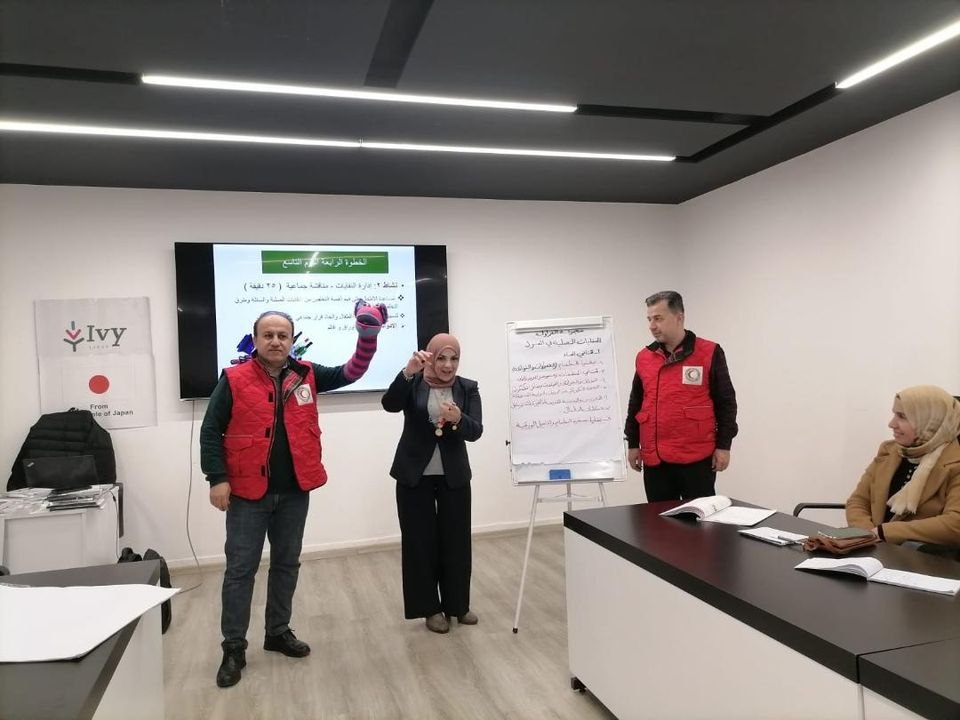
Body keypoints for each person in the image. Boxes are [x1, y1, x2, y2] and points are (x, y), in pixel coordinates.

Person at [201, 302, 384, 688]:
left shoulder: (307, 374)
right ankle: (233, 647)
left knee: (287, 564)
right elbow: (211, 430)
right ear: (255, 340)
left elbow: (352, 372)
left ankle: (277, 632)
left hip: (294, 491)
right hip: (248, 493)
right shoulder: (233, 379)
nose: (275, 341)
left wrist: (367, 337)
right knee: (240, 571)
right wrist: (217, 478)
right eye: (267, 335)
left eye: (282, 335)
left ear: (291, 340)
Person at [381, 333, 483, 634]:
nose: (448, 365)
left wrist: (459, 418)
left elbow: (476, 431)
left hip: (454, 476)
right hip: (414, 475)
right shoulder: (413, 382)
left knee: (457, 542)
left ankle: (457, 605)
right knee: (419, 542)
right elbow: (389, 404)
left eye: (454, 359)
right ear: (431, 358)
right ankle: (429, 608)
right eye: (441, 358)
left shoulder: (468, 388)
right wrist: (407, 372)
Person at [623, 291, 738, 502]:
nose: (652, 326)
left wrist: (724, 445)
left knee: (700, 519)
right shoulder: (644, 357)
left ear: (679, 317)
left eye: (658, 318)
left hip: (696, 457)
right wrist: (632, 444)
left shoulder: (709, 352)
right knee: (658, 518)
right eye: (649, 319)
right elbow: (636, 403)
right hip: (655, 458)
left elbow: (726, 402)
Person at [846, 385, 960, 546]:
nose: (891, 424)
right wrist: (867, 535)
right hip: (872, 549)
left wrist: (884, 533)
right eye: (894, 414)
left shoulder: (955, 463)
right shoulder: (889, 451)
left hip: (920, 557)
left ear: (930, 421)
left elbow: (955, 523)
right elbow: (858, 501)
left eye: (902, 416)